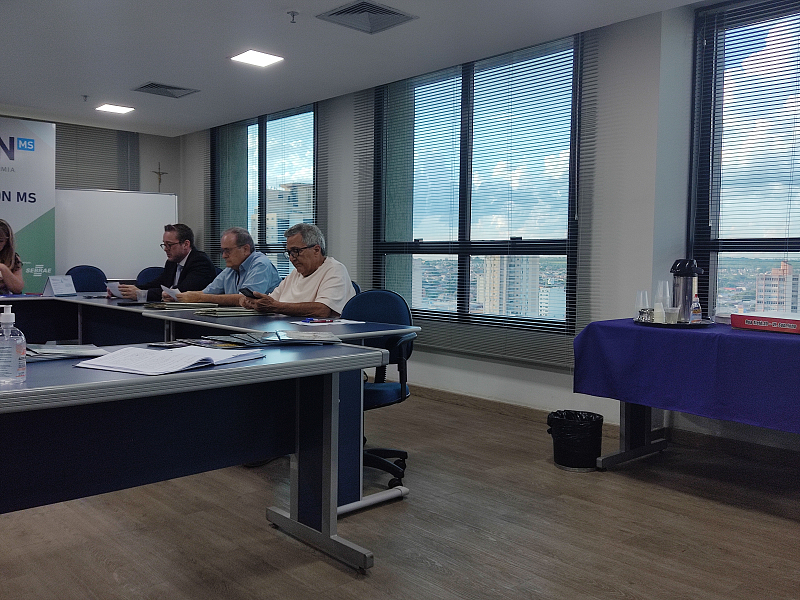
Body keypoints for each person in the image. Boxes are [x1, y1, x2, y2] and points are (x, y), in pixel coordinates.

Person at [240, 223, 355, 317]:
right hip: (289, 331)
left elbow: (322, 310)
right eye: (289, 252)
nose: (291, 258)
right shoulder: (295, 274)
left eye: (296, 251)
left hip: (320, 335)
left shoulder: (334, 270)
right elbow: (272, 301)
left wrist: (275, 306)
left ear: (316, 250)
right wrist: (256, 303)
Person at [176, 227, 280, 306]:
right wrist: (179, 297)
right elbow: (207, 292)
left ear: (245, 249)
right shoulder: (232, 268)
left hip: (264, 323)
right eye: (222, 251)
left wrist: (199, 298)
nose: (224, 256)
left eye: (227, 251)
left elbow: (245, 299)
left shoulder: (261, 265)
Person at [118, 224, 217, 302]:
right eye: (164, 245)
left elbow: (180, 291)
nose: (165, 249)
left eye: (169, 245)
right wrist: (127, 290)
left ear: (186, 244)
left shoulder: (200, 262)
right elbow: (159, 283)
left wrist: (142, 294)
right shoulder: (172, 262)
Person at [0, 220, 24, 295]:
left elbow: (17, 289)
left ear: (7, 242)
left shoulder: (13, 258)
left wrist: (3, 268)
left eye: (0, 241)